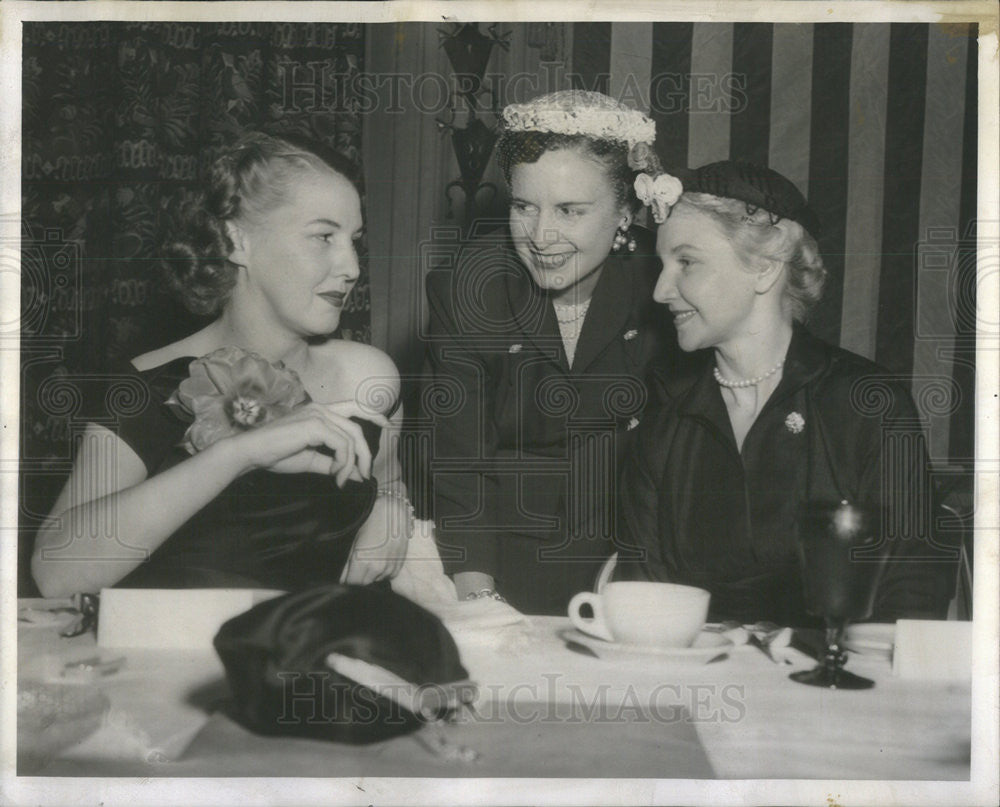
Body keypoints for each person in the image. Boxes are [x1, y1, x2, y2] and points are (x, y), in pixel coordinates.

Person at [33, 132, 412, 598]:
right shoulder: (149, 386)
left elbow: (388, 481)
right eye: (323, 237)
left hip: (315, 655)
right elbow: (55, 576)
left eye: (354, 240)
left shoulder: (369, 377)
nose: (351, 266)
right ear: (237, 241)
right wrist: (240, 453)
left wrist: (392, 509)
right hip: (184, 661)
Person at [614, 158, 956, 625]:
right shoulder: (664, 418)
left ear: (765, 269)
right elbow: (642, 597)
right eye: (662, 264)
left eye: (686, 263)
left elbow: (914, 592)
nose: (659, 290)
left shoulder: (867, 403)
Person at [422, 90, 684, 615]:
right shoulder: (468, 288)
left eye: (570, 210)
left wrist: (639, 583)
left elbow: (686, 463)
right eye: (524, 206)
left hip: (644, 562)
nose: (541, 236)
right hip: (496, 557)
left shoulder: (669, 285)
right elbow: (461, 467)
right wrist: (479, 604)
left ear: (626, 212)